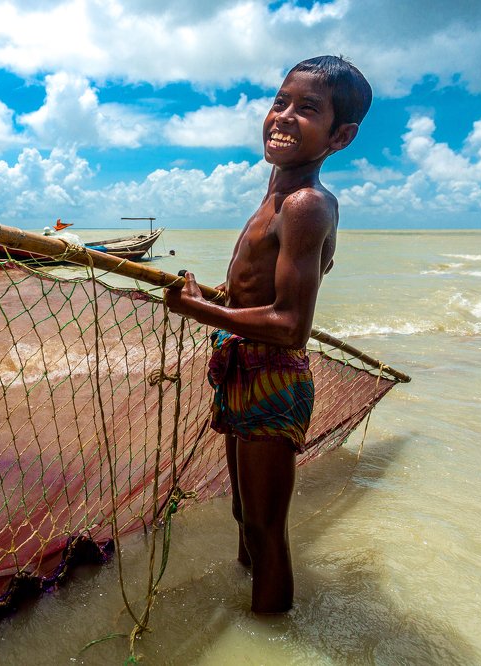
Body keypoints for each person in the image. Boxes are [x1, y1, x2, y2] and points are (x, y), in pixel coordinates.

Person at [164, 55, 372, 614]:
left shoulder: (306, 204)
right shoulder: (275, 198)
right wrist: (213, 300)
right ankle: (246, 612)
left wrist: (198, 312)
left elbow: (289, 325)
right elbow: (257, 293)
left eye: (308, 109)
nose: (283, 116)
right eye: (280, 102)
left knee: (264, 528)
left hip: (272, 378)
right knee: (242, 514)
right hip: (242, 368)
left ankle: (272, 632)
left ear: (341, 136)